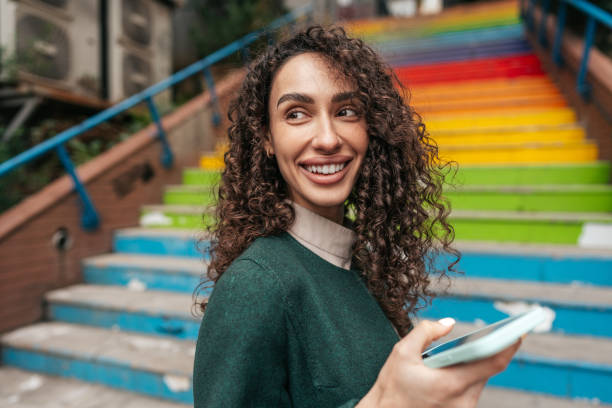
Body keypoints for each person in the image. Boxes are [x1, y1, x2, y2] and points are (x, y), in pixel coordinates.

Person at [193, 25, 521, 407]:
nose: (329, 138)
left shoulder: (357, 265)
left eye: (346, 111)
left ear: (372, 128)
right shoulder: (255, 286)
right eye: (297, 114)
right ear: (266, 137)